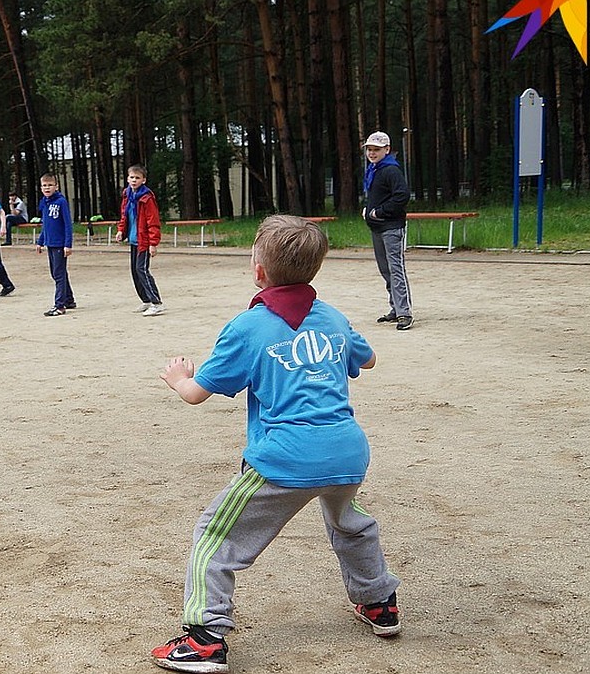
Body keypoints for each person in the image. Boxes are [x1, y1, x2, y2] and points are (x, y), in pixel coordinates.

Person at [151, 214, 402, 674]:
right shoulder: (333, 317)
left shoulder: (249, 326)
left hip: (283, 457)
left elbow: (195, 395)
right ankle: (379, 602)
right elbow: (368, 360)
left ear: (259, 270)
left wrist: (179, 378)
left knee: (214, 536)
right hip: (346, 450)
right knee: (350, 521)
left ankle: (204, 640)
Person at [362, 131, 413, 331]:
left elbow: (402, 196)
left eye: (376, 149)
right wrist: (368, 210)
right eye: (369, 149)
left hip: (391, 227)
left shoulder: (391, 170)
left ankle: (404, 313)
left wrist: (379, 212)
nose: (372, 153)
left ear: (387, 150)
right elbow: (378, 195)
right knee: (385, 270)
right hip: (377, 227)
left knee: (396, 269)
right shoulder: (374, 170)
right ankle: (395, 308)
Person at [115, 164, 164, 316]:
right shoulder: (127, 195)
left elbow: (153, 221)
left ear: (143, 180)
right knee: (134, 271)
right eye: (131, 177)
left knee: (141, 269)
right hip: (133, 239)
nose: (134, 180)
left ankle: (156, 302)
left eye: (137, 178)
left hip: (144, 241)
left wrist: (153, 243)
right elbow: (125, 215)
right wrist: (121, 231)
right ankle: (146, 300)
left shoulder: (147, 198)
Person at [35, 174, 75, 316]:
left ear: (56, 186)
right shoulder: (44, 202)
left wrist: (68, 244)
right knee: (58, 273)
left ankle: (60, 305)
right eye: (44, 185)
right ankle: (69, 299)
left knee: (58, 274)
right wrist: (40, 241)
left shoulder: (61, 202)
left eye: (50, 185)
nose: (47, 188)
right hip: (50, 243)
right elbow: (45, 225)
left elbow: (67, 224)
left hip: (60, 244)